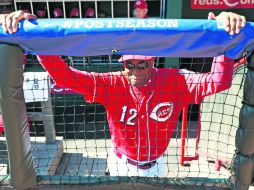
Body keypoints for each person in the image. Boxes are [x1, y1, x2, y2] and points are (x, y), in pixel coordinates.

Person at [0, 11, 246, 177]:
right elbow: (65, 77)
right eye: (130, 65)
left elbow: (218, 82)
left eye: (143, 65)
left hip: (158, 165)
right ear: (122, 63)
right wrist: (41, 39)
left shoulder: (175, 79)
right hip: (121, 164)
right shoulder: (112, 83)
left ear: (153, 62)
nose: (136, 70)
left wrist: (224, 37)